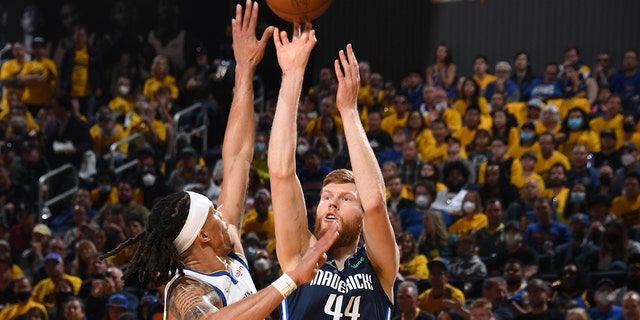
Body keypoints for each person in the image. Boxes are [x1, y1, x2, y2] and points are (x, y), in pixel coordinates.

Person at [102, 3, 338, 319]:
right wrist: (291, 280)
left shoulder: (228, 253)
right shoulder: (185, 290)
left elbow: (238, 158)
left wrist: (244, 70)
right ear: (202, 236)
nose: (220, 210)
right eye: (212, 212)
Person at [268, 21, 398, 318]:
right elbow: (280, 172)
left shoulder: (379, 266)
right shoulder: (300, 256)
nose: (332, 203)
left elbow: (376, 204)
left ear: (361, 213)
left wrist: (349, 111)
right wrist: (292, 75)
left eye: (347, 199)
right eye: (327, 196)